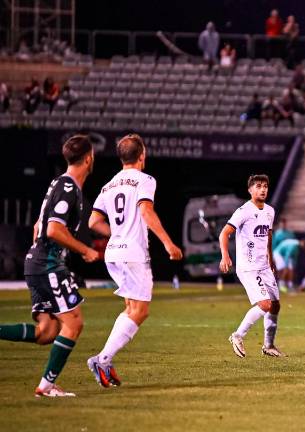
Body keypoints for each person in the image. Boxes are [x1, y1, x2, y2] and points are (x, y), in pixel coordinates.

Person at [0, 135, 98, 398]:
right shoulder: (68, 188)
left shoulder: (59, 183)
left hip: (38, 262)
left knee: (47, 332)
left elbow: (38, 227)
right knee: (74, 322)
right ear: (88, 158)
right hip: (48, 264)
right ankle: (45, 387)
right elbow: (53, 229)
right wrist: (84, 249)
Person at [86, 134, 183, 387]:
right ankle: (102, 359)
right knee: (140, 311)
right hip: (132, 253)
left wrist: (116, 233)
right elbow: (146, 211)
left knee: (131, 309)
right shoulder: (145, 180)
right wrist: (168, 243)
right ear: (142, 155)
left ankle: (104, 360)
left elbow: (93, 222)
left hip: (113, 253)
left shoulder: (108, 185)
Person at [219, 174, 284, 358]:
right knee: (264, 304)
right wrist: (225, 256)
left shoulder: (270, 211)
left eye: (265, 186)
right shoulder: (243, 211)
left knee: (275, 305)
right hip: (249, 267)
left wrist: (270, 258)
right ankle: (237, 335)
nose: (262, 189)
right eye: (258, 186)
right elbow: (224, 233)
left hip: (264, 266)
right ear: (250, 190)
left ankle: (268, 345)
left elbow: (268, 236)